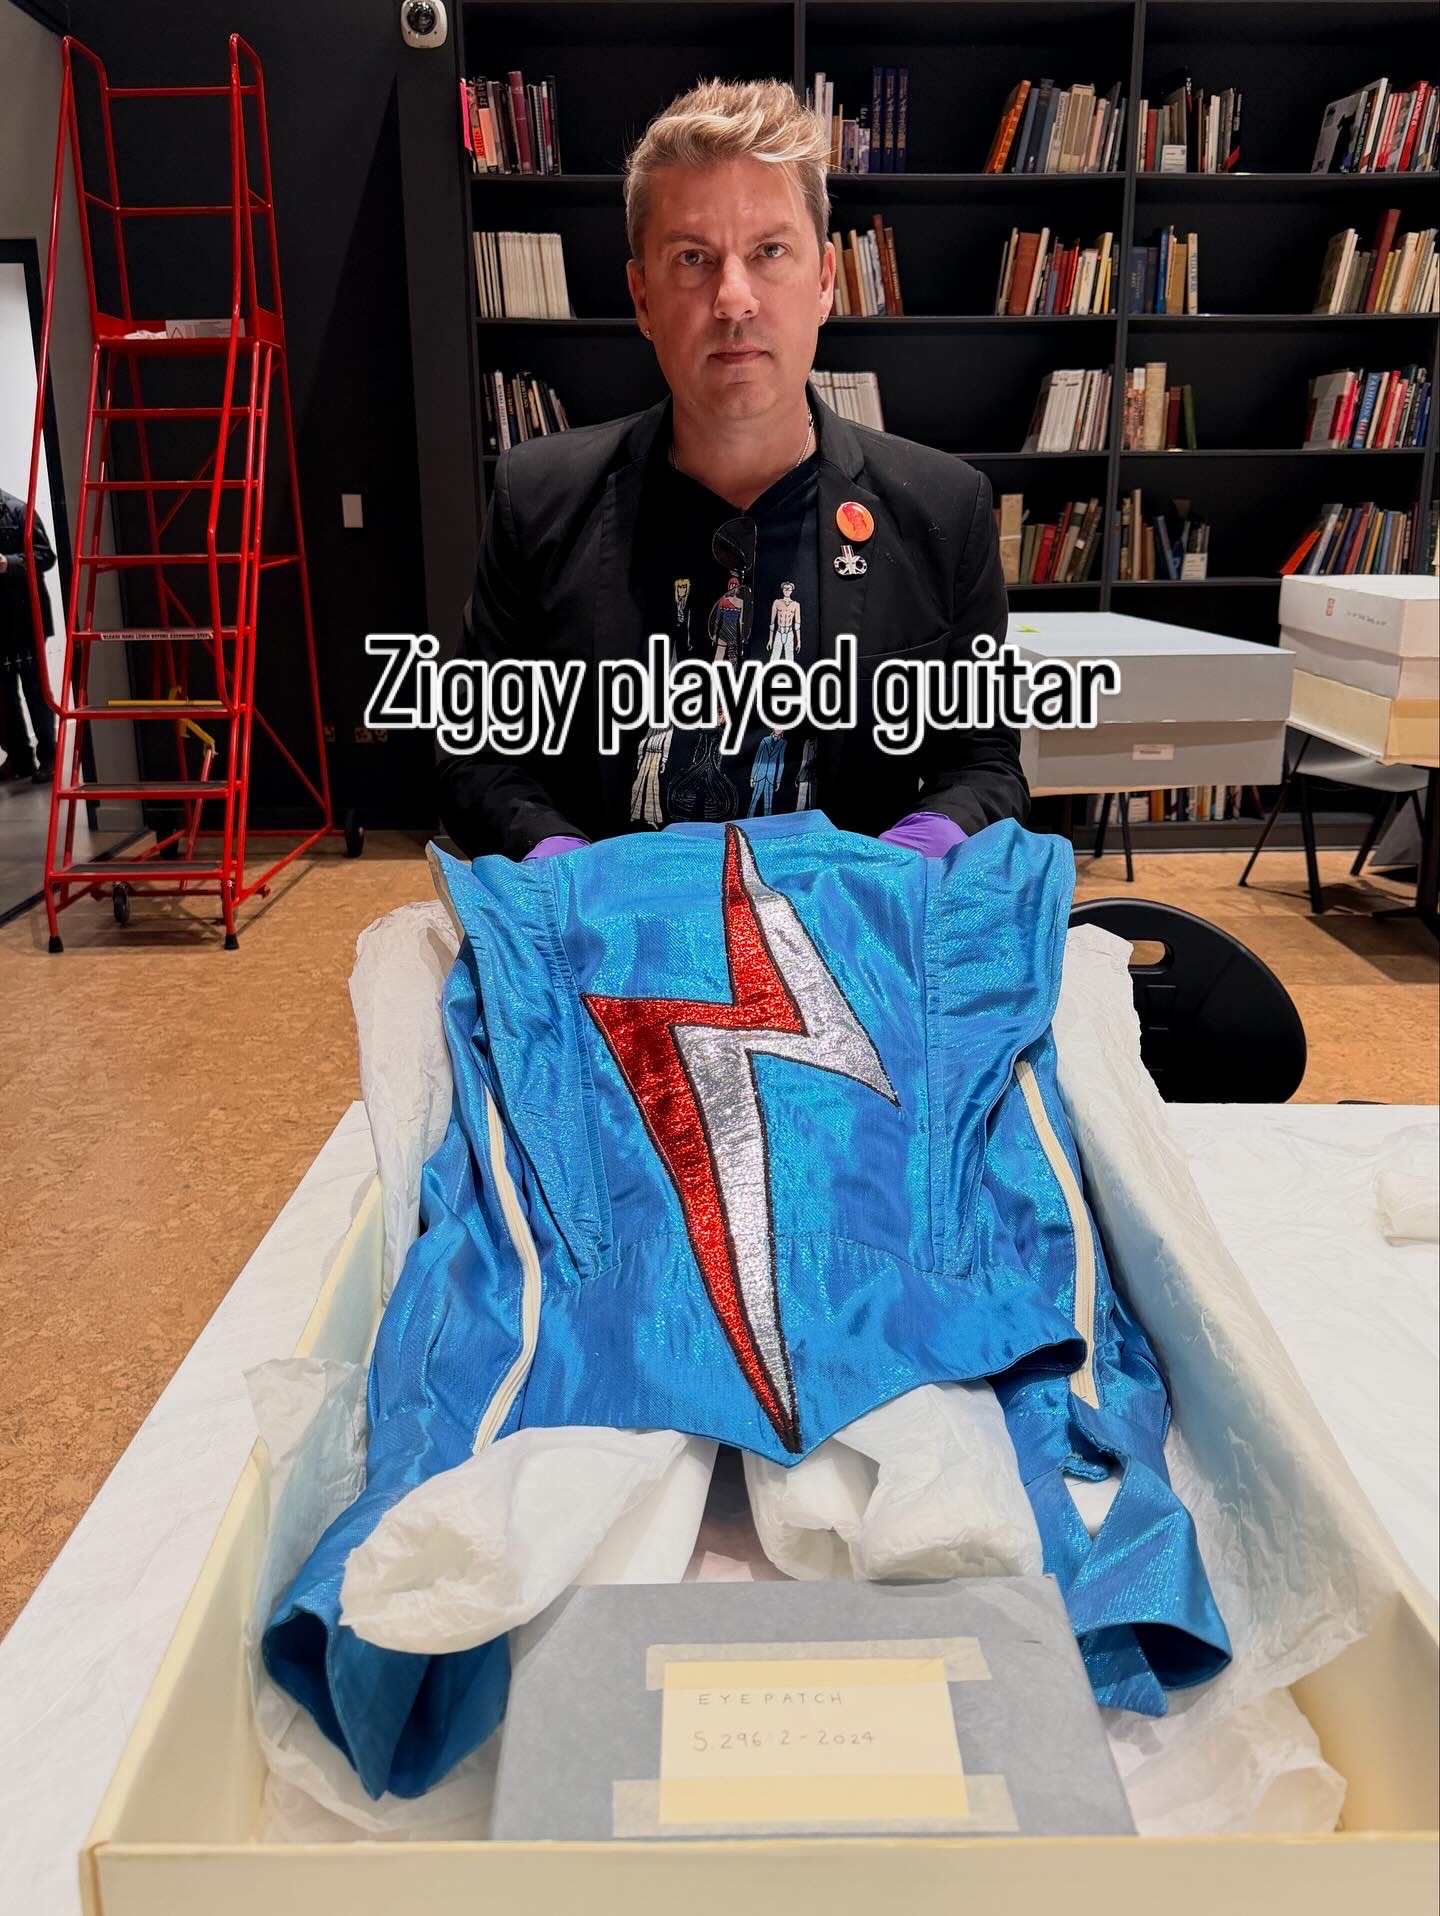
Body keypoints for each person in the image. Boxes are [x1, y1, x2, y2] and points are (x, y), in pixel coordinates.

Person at [437, 79, 1026, 862]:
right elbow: (476, 755)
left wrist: (915, 853)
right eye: (693, 258)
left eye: (769, 251)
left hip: (843, 927)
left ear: (824, 281)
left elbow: (984, 762)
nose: (734, 299)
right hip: (608, 928)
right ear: (642, 297)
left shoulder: (946, 510)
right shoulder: (537, 499)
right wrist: (562, 865)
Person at [0, 485, 58, 784]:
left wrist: (8, 563)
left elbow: (46, 555)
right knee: (2, 696)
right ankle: (19, 757)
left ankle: (49, 756)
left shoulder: (20, 511)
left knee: (36, 690)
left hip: (26, 619)